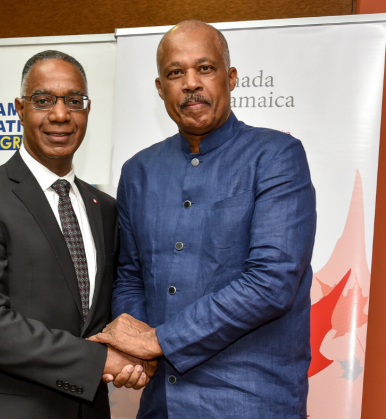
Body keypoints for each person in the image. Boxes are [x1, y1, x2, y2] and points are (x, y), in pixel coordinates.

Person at [89, 21, 317, 418]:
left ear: (230, 78)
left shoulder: (276, 156)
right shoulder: (139, 171)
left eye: (205, 69)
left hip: (250, 400)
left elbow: (272, 282)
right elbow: (130, 276)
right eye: (176, 73)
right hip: (161, 400)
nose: (190, 83)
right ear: (161, 88)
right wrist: (136, 350)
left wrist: (157, 340)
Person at [0, 50, 155, 419]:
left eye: (73, 101)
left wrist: (138, 349)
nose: (60, 114)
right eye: (43, 100)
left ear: (87, 109)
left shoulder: (106, 207)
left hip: (86, 408)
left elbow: (106, 309)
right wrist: (101, 360)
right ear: (20, 109)